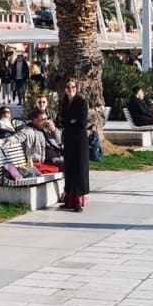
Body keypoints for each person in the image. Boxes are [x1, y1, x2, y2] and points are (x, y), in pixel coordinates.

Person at [58, 80, 90, 212]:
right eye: (68, 86)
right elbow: (61, 121)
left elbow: (82, 122)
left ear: (76, 88)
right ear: (65, 89)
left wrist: (70, 122)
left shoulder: (81, 102)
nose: (71, 89)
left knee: (79, 170)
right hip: (69, 140)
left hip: (79, 141)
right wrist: (70, 121)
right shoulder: (64, 102)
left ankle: (77, 202)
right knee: (69, 169)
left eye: (73, 86)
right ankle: (69, 201)